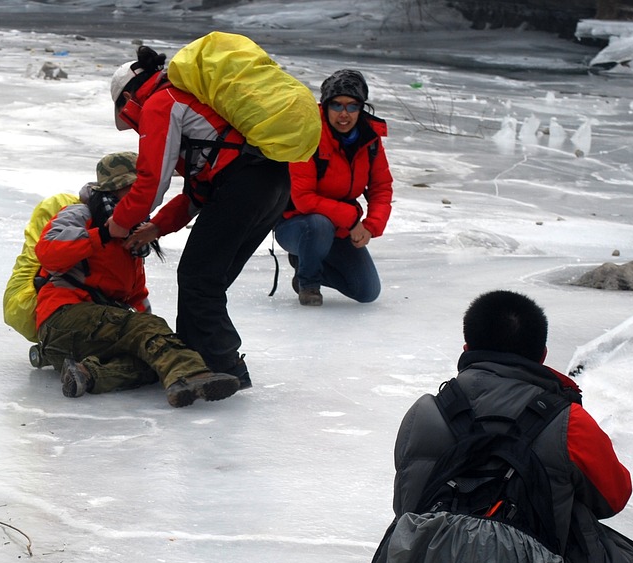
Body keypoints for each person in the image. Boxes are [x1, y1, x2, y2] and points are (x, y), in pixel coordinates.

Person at [350, 290, 633, 563]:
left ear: (467, 346)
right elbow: (614, 499)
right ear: (541, 355)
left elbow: (406, 506)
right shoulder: (569, 423)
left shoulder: (425, 413)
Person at [108, 45, 294, 387]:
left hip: (244, 185)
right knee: (207, 280)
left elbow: (152, 182)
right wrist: (157, 227)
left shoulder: (160, 103)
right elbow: (199, 191)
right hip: (272, 183)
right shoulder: (191, 103)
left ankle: (224, 367)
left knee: (198, 279)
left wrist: (117, 224)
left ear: (127, 100)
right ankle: (194, 359)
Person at [34, 153, 241, 408]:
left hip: (88, 339)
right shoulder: (81, 214)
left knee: (155, 358)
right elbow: (48, 252)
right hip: (62, 318)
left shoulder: (132, 233)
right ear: (116, 187)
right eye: (134, 188)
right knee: (148, 333)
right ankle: (192, 375)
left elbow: (135, 295)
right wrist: (104, 234)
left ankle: (86, 375)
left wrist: (157, 335)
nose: (143, 196)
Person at [274, 69, 392, 307]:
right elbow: (304, 198)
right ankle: (308, 284)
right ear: (325, 106)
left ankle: (306, 266)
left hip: (340, 228)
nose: (344, 114)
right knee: (318, 224)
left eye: (352, 106)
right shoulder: (308, 134)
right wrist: (350, 218)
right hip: (298, 224)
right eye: (337, 105)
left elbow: (382, 187)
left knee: (367, 291)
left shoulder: (370, 140)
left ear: (362, 108)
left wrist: (371, 226)